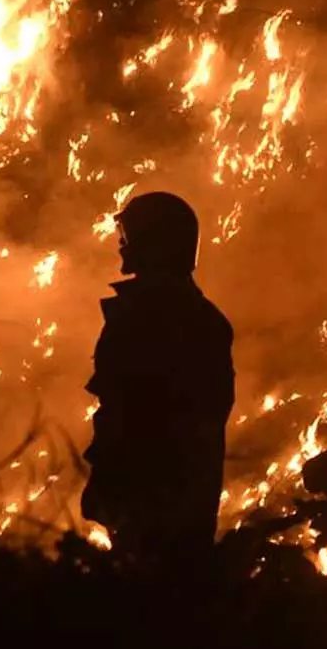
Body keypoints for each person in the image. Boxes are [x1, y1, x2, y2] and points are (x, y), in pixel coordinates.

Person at [80, 191, 235, 567]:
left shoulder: (154, 317)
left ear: (154, 243)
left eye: (129, 236)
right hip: (171, 499)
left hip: (156, 501)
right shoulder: (195, 317)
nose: (122, 246)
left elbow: (135, 415)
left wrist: (113, 487)